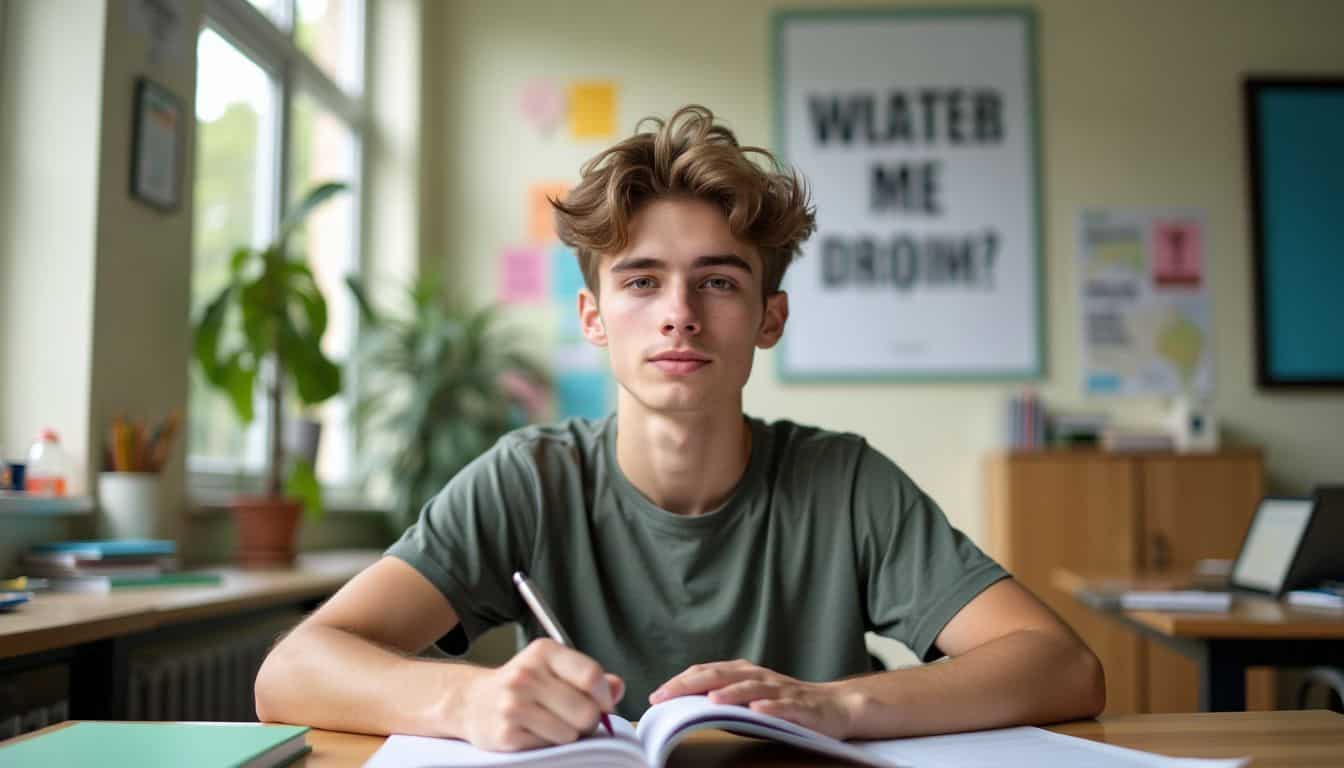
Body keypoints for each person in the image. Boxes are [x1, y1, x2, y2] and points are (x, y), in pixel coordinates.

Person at [254, 105, 1104, 750]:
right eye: (642, 282)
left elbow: (1063, 666)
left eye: (719, 283)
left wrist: (835, 705)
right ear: (593, 316)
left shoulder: (842, 482)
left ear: (770, 317)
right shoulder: (528, 480)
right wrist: (466, 698)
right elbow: (291, 671)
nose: (679, 316)